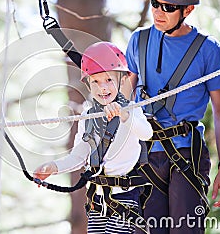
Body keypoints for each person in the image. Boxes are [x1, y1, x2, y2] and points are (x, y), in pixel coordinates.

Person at [123, 0, 220, 233]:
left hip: (186, 155)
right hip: (145, 155)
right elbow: (124, 99)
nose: (158, 12)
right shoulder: (139, 41)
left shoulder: (208, 49)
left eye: (168, 7)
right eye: (155, 3)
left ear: (188, 10)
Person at [34, 42, 153, 234]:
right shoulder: (88, 116)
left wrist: (124, 116)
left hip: (124, 197)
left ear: (122, 80)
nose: (102, 88)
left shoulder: (132, 110)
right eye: (95, 81)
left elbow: (147, 133)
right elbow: (79, 156)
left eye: (108, 80)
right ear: (88, 83)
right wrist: (53, 167)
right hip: (97, 200)